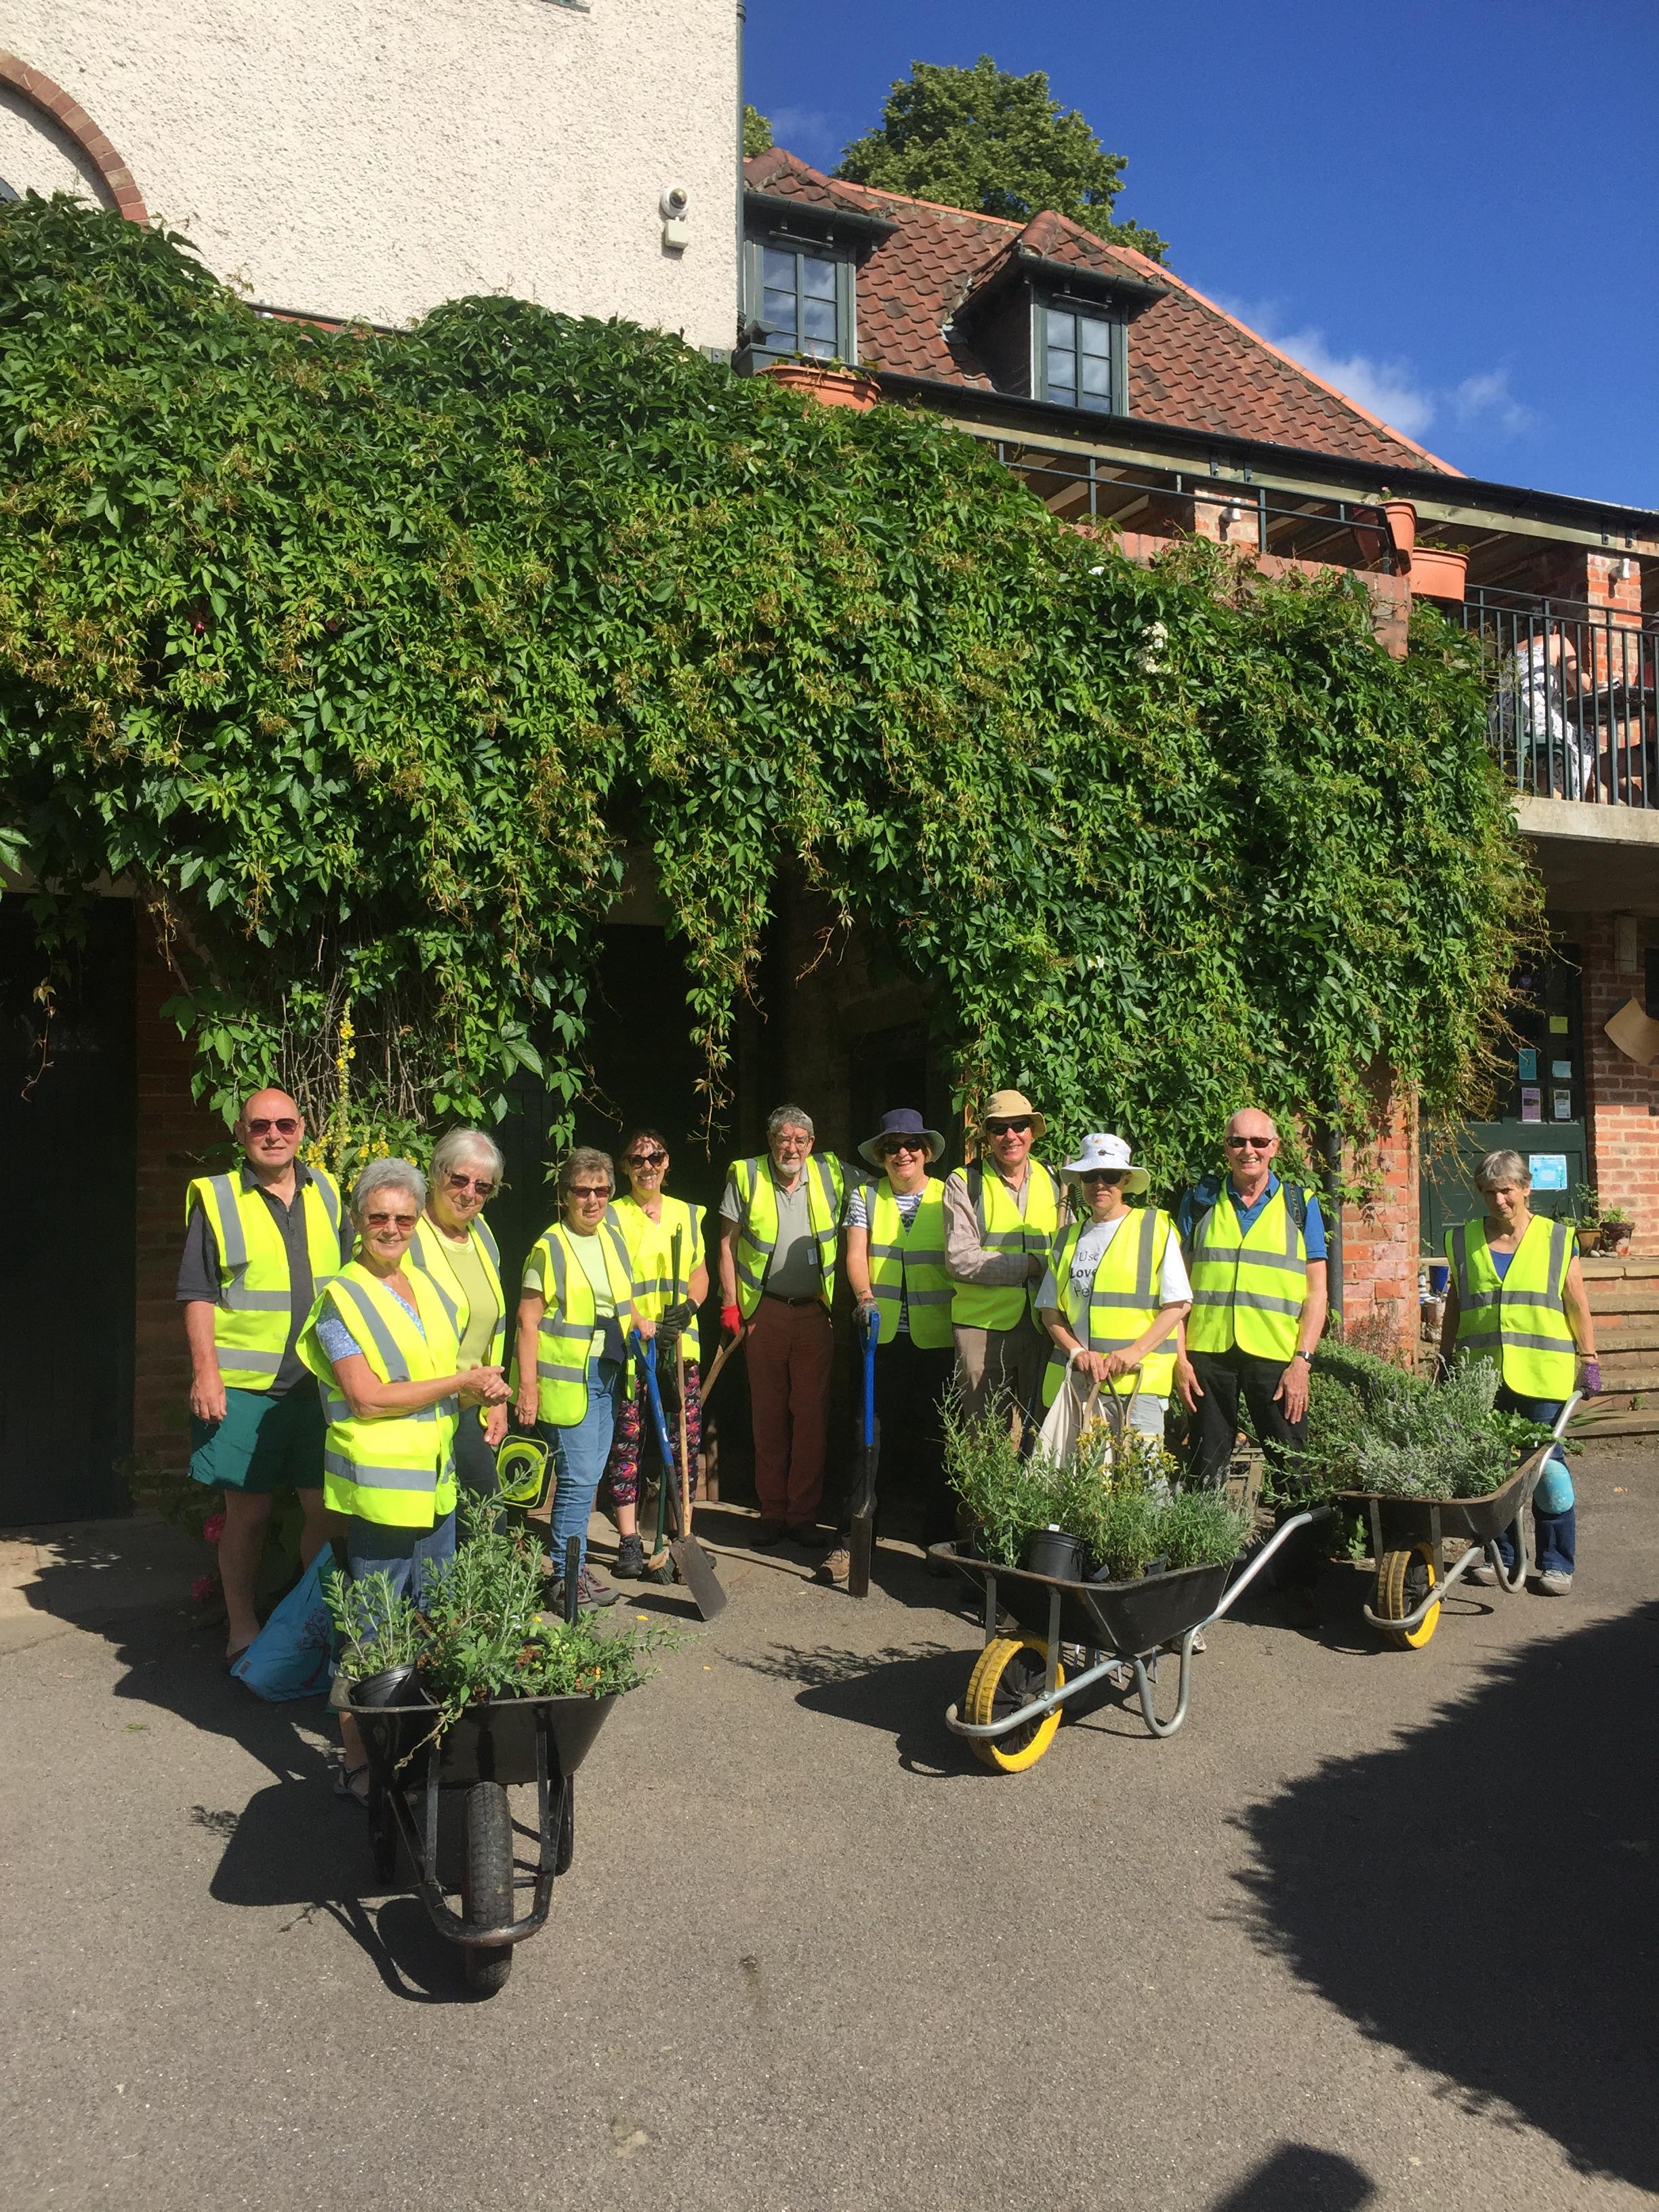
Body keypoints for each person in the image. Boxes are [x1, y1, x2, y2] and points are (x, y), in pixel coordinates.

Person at [298, 1158, 507, 1801]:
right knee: (371, 1633)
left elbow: (447, 1369)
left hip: (436, 1484)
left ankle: (420, 1754)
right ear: (357, 1221)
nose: (392, 1229)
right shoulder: (341, 1298)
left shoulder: (426, 1288)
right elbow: (366, 1397)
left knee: (433, 1626)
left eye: (404, 1219)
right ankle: (359, 1759)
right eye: (378, 1217)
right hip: (384, 1492)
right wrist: (461, 1383)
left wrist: (484, 1391)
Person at [178, 1087, 348, 1664]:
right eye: (260, 1126)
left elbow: (354, 1283)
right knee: (247, 1516)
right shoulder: (218, 1198)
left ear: (303, 1129)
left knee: (324, 1511)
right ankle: (243, 1628)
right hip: (246, 1389)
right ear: (240, 1134)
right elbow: (197, 1293)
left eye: (285, 1124)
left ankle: (312, 1629)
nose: (273, 1135)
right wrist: (206, 1373)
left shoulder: (327, 1190)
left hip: (317, 1385)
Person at [1175, 1109, 1328, 1620]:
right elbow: (1178, 1291)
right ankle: (1201, 1582)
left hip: (1276, 1359)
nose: (1249, 1151)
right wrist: (1180, 1358)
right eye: (1239, 1141)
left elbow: (1317, 1294)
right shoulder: (1199, 1200)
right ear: (1226, 1146)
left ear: (1275, 1146)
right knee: (1204, 1468)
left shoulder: (1299, 1204)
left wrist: (1302, 1362)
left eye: (1259, 1142)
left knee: (1293, 1468)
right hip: (1209, 1354)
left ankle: (1301, 1579)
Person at [1439, 1150, 1598, 1595]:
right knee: (1491, 1469)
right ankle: (1501, 1556)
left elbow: (1576, 1302)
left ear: (1526, 1189)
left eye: (1507, 1190)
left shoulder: (1556, 1238)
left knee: (1547, 1470)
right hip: (1481, 1376)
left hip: (1542, 1375)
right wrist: (1447, 1358)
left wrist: (1589, 1360)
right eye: (1489, 1192)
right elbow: (1455, 1305)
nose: (1499, 1200)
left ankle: (1556, 1562)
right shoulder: (1462, 1240)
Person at [514, 1147, 650, 1608]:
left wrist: (643, 1323)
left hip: (610, 1371)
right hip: (569, 1378)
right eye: (582, 1191)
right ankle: (565, 1577)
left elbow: (619, 1305)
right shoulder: (548, 1246)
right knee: (578, 1476)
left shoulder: (612, 1239)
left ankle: (574, 1572)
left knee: (591, 1476)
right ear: (565, 1195)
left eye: (602, 1190)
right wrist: (527, 1386)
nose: (593, 1200)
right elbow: (527, 1320)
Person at [834, 1107, 954, 1586]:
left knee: (939, 1443)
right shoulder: (864, 1195)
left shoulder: (950, 1196)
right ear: (881, 1156)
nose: (901, 1153)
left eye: (910, 1146)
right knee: (867, 1441)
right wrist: (865, 1296)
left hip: (938, 1336)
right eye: (891, 1147)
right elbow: (856, 1254)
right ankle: (852, 1542)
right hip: (880, 1337)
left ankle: (940, 1542)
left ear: (926, 1152)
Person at [717, 1105, 845, 1547]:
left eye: (800, 1140)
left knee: (811, 1417)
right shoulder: (747, 1174)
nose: (790, 1147)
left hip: (815, 1314)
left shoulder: (831, 1174)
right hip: (764, 1313)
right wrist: (732, 1306)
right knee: (768, 1417)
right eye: (783, 1139)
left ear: (812, 1145)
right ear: (771, 1141)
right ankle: (772, 1511)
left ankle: (802, 1515)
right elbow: (726, 1242)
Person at [1037, 1134, 1191, 1443]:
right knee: (1078, 1486)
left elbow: (1178, 1305)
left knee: (1144, 1485)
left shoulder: (1155, 1229)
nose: (1100, 1184)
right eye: (1091, 1176)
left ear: (1126, 1179)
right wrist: (1077, 1351)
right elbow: (1049, 1312)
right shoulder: (1066, 1238)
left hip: (1137, 1384)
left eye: (1110, 1175)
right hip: (1077, 1384)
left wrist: (1134, 1352)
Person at [605, 1128, 709, 1579]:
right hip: (635, 1344)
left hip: (679, 1344)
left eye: (656, 1158)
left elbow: (700, 1273)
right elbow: (608, 1280)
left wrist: (687, 1309)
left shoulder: (687, 1213)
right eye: (637, 1160)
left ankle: (683, 1534)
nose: (647, 1167)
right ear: (625, 1167)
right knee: (629, 1439)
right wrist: (642, 1324)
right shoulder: (612, 1216)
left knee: (686, 1441)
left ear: (667, 1164)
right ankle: (630, 1539)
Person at [945, 1089, 1064, 1432]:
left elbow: (1069, 1251)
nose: (1010, 1136)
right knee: (983, 1438)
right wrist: (1031, 1265)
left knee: (1042, 1434)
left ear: (1032, 1131)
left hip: (1044, 1325)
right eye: (999, 1128)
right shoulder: (964, 1182)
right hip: (982, 1329)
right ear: (987, 1135)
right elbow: (961, 1259)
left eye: (1019, 1125)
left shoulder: (1057, 1181)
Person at [408, 1129, 509, 1499]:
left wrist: (496, 1401)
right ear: (437, 1173)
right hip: (421, 1404)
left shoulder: (481, 1233)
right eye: (460, 1180)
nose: (469, 1193)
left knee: (485, 1519)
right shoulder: (405, 1231)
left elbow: (494, 1321)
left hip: (469, 1404)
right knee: (433, 1524)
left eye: (482, 1186)